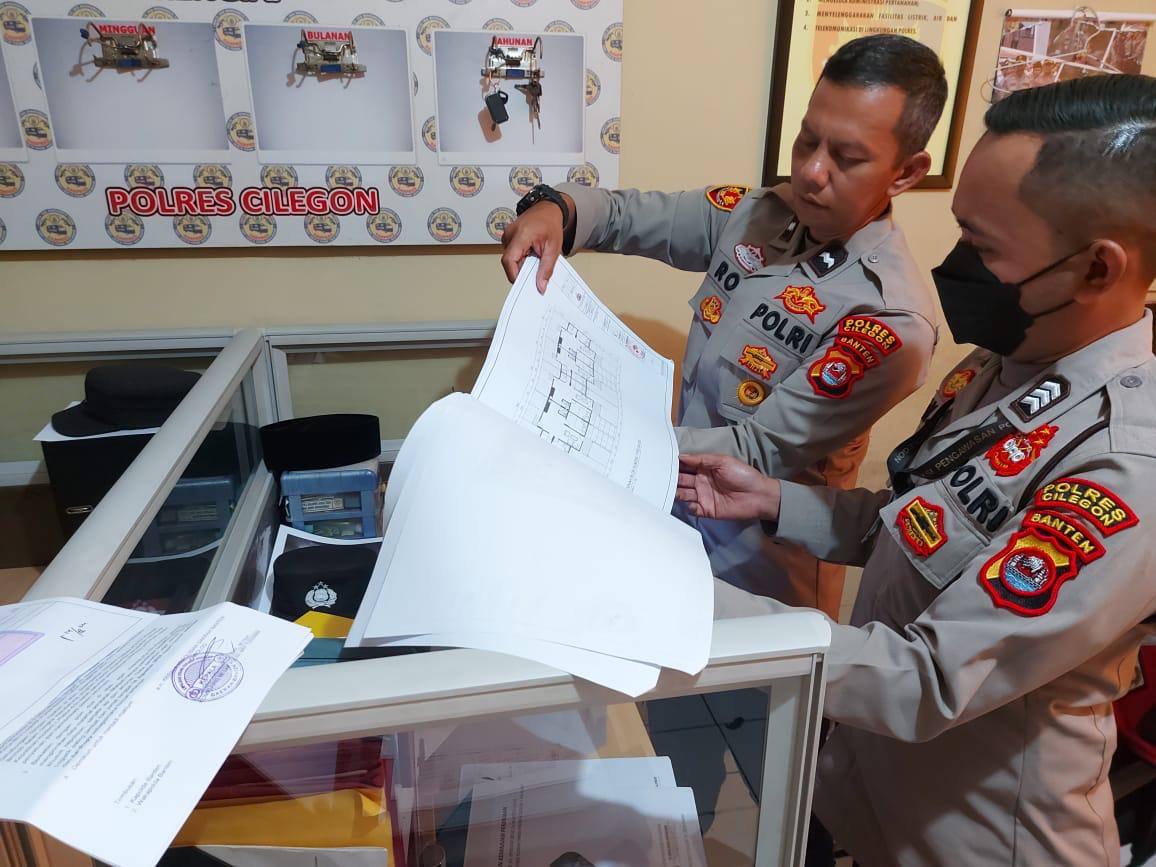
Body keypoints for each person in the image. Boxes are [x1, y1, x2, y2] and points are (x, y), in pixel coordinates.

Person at [675, 73, 1156, 865]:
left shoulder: (1124, 463)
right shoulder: (1007, 363)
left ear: (1097, 270)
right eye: (962, 229)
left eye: (983, 247)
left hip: (972, 841)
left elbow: (927, 678)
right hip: (863, 792)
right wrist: (775, 500)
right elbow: (923, 526)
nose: (954, 264)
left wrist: (679, 598)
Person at [501, 35, 947, 617]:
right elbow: (622, 215)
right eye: (807, 140)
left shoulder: (888, 319)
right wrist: (555, 208)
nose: (811, 172)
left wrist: (577, 435)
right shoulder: (757, 214)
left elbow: (756, 450)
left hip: (757, 564)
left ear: (905, 173)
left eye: (847, 157)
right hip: (670, 508)